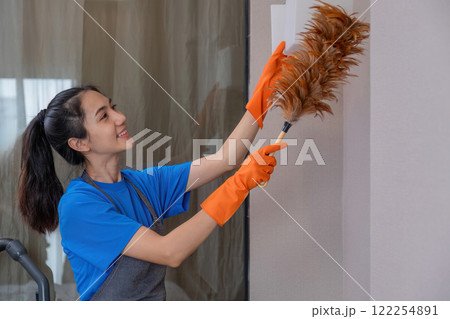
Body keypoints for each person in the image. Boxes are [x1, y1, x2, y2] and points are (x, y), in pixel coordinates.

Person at [17, 42, 288, 301]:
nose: (120, 117)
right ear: (80, 143)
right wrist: (237, 186)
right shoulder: (78, 206)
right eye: (104, 116)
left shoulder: (142, 185)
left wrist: (262, 100)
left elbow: (226, 159)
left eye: (113, 107)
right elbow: (171, 251)